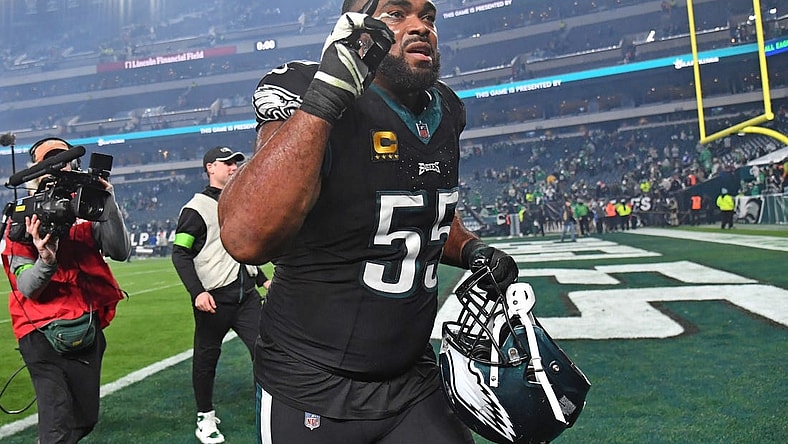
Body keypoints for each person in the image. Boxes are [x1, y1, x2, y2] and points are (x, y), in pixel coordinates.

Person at [217, 1, 519, 443]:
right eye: (397, 14)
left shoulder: (446, 108)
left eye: (428, 17)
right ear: (355, 27)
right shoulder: (303, 87)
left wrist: (470, 248)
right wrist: (324, 100)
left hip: (412, 375)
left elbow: (420, 208)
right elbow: (246, 237)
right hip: (311, 382)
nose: (420, 27)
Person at [2, 137, 131, 443]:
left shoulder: (87, 210)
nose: (57, 167)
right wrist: (46, 259)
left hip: (84, 326)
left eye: (63, 160)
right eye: (49, 162)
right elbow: (28, 287)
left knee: (84, 418)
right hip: (39, 331)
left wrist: (107, 200)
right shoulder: (22, 219)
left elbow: (120, 250)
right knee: (57, 422)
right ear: (34, 170)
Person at [171, 146, 271, 444]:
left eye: (235, 163)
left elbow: (242, 250)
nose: (233, 167)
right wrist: (197, 292)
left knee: (266, 352)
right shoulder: (195, 209)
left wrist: (263, 280)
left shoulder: (240, 202)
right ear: (210, 167)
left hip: (247, 296)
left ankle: (269, 406)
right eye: (227, 163)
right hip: (214, 298)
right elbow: (180, 253)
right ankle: (205, 417)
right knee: (206, 358)